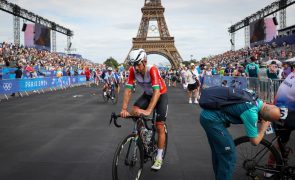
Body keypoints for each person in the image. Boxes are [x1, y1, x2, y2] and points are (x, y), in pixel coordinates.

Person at [200, 92, 281, 180]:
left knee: (219, 152)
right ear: (265, 119)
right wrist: (263, 129)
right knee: (229, 154)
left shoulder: (255, 99)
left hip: (208, 115)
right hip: (212, 120)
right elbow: (255, 141)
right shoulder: (251, 113)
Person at [120, 48, 168, 170]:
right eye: (133, 64)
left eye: (137, 64)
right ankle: (145, 133)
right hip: (147, 94)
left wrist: (148, 110)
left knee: (159, 126)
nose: (135, 68)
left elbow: (156, 92)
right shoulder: (132, 70)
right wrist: (124, 109)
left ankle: (159, 157)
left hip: (160, 95)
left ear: (145, 61)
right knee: (134, 110)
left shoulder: (152, 69)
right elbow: (128, 90)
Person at [265, 62, 295, 177]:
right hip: (285, 114)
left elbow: (278, 94)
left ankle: (272, 165)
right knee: (280, 142)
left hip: (278, 111)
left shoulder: (291, 75)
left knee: (281, 142)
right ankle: (270, 166)